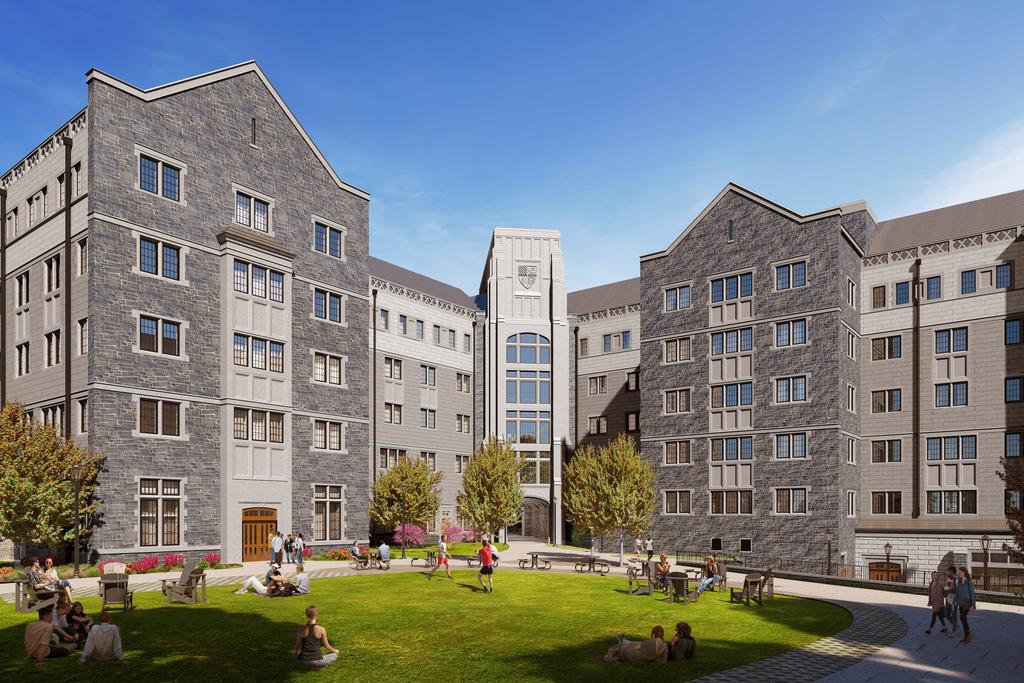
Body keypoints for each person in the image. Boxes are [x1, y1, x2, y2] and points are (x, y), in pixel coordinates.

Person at [603, 625, 669, 663]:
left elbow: (636, 647)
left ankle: (623, 643)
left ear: (654, 634)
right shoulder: (665, 645)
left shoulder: (652, 643)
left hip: (636, 656)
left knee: (624, 647)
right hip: (648, 657)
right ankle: (625, 641)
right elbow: (662, 659)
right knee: (635, 643)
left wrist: (630, 645)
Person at [955, 566, 976, 643]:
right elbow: (957, 593)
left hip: (967, 602)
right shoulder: (959, 581)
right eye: (958, 572)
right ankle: (967, 634)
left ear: (964, 572)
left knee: (962, 617)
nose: (958, 573)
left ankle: (967, 635)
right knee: (963, 618)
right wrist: (954, 603)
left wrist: (973, 605)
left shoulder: (969, 581)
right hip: (960, 603)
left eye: (960, 572)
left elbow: (972, 593)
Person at [944, 566, 959, 635]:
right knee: (946, 614)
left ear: (952, 572)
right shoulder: (948, 579)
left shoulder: (956, 580)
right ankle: (955, 625)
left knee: (954, 615)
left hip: (954, 600)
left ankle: (954, 631)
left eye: (949, 572)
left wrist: (950, 590)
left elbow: (957, 591)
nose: (947, 573)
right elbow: (948, 588)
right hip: (948, 599)